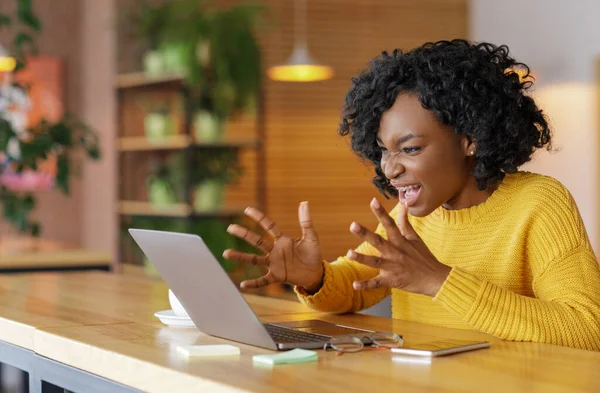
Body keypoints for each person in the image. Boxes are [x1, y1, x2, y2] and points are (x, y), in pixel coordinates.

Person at [223, 39, 600, 351]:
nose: (390, 168)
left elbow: (588, 329)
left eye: (411, 148)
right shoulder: (414, 215)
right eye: (384, 150)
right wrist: (314, 277)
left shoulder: (538, 203)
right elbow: (356, 286)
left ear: (470, 139)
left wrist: (439, 280)